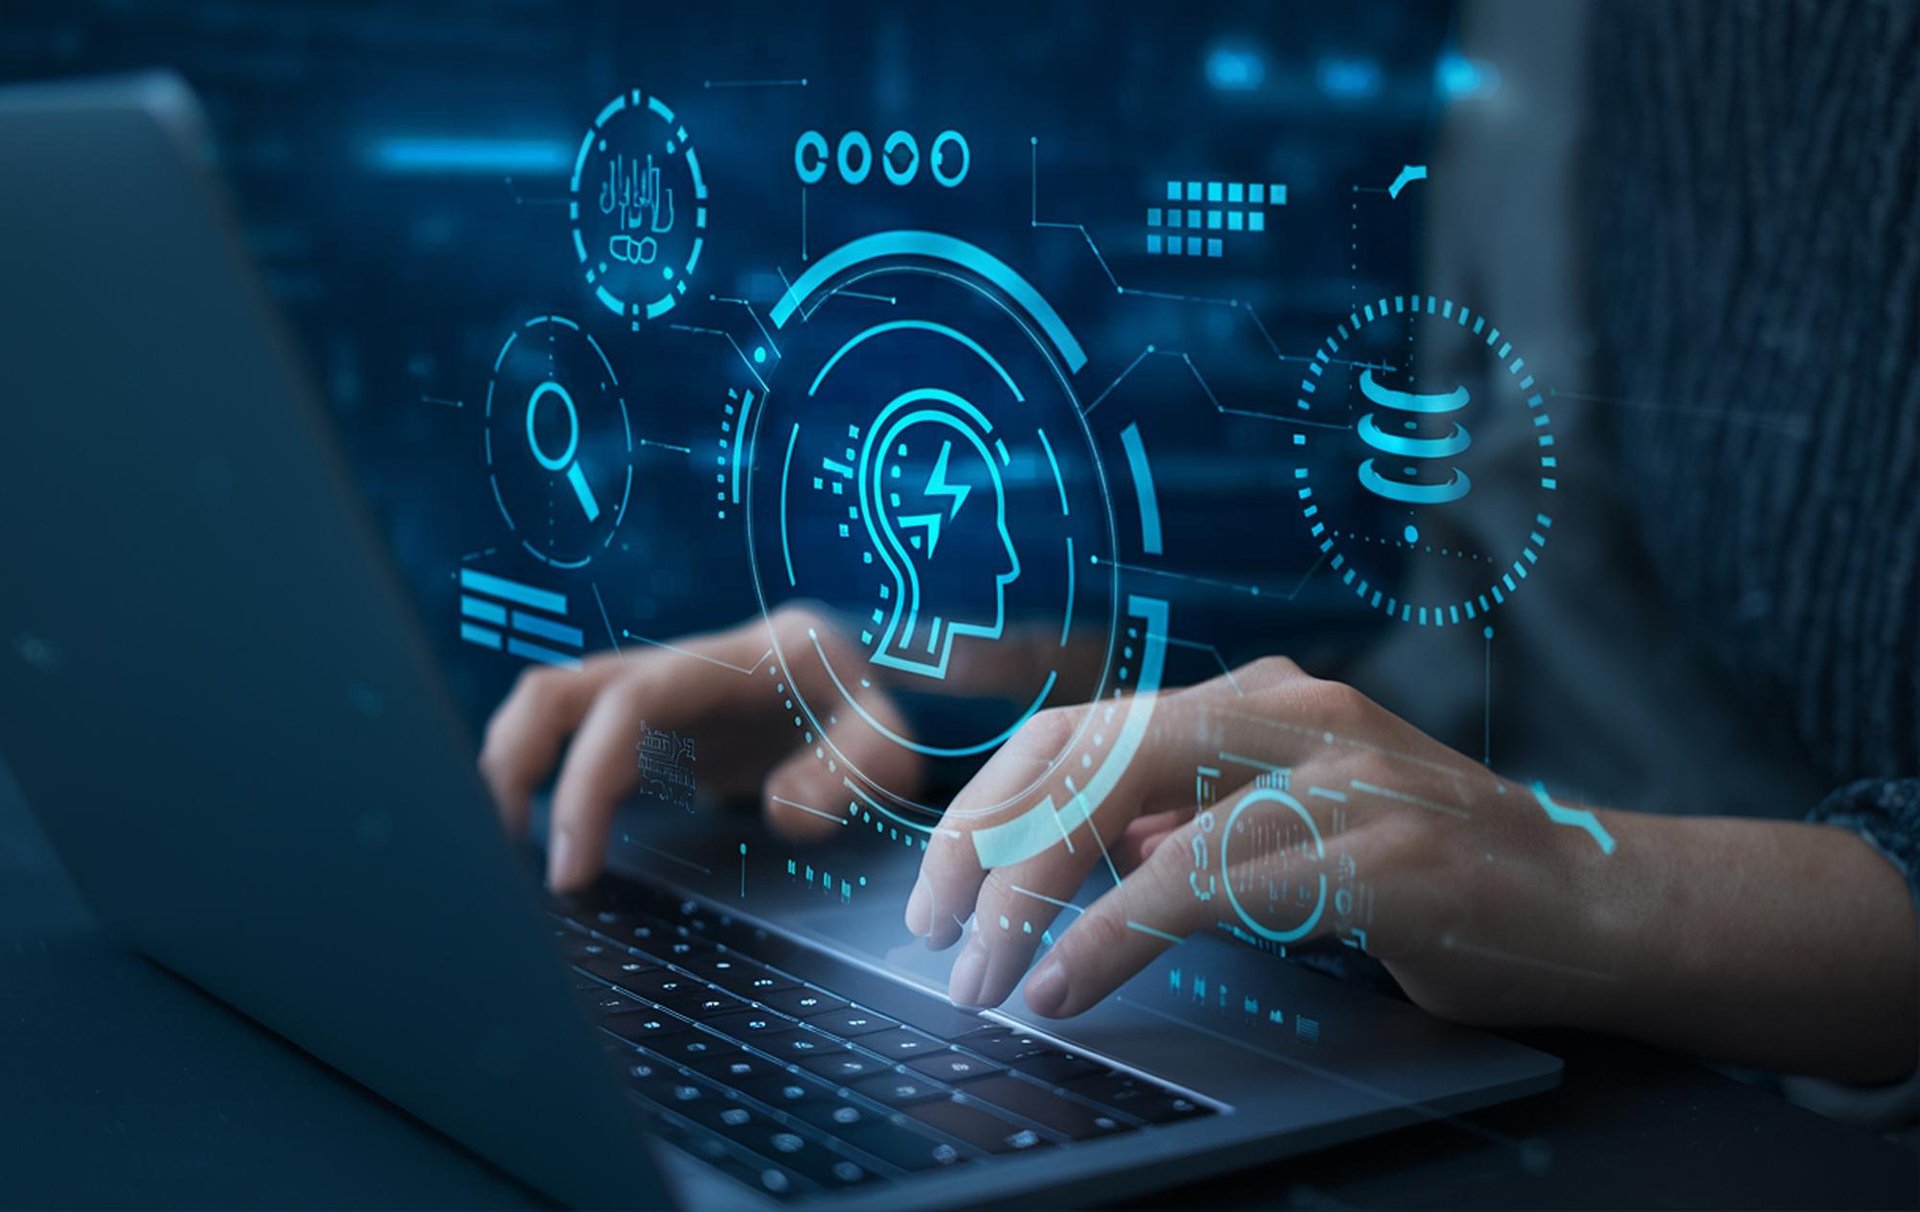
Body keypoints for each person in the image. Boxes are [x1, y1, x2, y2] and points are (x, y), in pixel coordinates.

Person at [477, 0, 1920, 1094]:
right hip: (1523, 1031)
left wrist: (1607, 887)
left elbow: (1566, 834)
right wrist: (943, 709)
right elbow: (1518, 637)